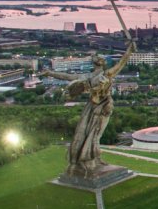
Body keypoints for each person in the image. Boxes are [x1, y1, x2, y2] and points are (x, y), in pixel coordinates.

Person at [41, 40, 135, 178]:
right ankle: (88, 161)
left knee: (90, 132)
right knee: (93, 133)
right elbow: (122, 63)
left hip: (97, 106)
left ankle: (91, 160)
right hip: (99, 106)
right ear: (102, 63)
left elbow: (67, 77)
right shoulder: (104, 75)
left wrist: (49, 73)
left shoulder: (91, 77)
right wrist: (129, 50)